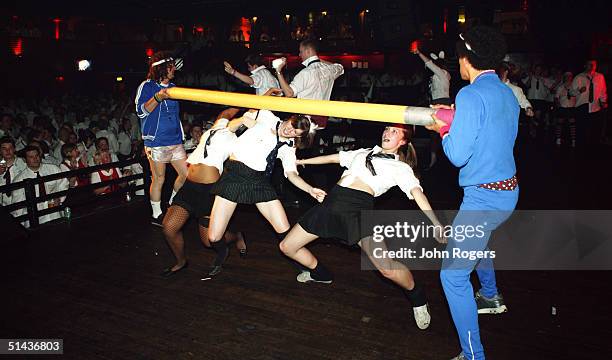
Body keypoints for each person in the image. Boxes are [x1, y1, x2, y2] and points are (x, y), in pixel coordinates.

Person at [279, 125, 444, 330]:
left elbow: (417, 193)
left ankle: (418, 296)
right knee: (287, 247)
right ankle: (320, 274)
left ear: (403, 141)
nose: (387, 133)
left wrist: (435, 223)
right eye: (387, 129)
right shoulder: (363, 153)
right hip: (331, 205)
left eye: (395, 131)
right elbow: (334, 158)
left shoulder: (401, 168)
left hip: (358, 211)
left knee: (386, 269)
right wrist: (302, 161)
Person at [426, 26, 520, 360]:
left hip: (484, 198)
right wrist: (462, 118)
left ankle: (473, 355)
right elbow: (492, 133)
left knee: (452, 277)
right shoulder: (506, 92)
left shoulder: (470, 95)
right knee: (480, 241)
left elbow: (457, 155)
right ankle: (491, 295)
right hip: (508, 191)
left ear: (466, 59)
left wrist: (444, 128)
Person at [206, 108, 325, 276]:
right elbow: (230, 127)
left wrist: (310, 189)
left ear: (298, 137)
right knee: (214, 238)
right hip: (234, 176)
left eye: (295, 133)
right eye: (292, 125)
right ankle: (224, 250)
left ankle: (310, 269)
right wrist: (241, 120)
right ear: (291, 118)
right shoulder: (266, 115)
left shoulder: (288, 146)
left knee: (285, 233)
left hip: (259, 182)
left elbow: (291, 174)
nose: (289, 131)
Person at [161, 108, 246, 277]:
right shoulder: (218, 127)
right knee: (169, 227)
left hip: (210, 192)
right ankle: (181, 261)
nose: (231, 119)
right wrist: (243, 101)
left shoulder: (237, 143)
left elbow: (252, 115)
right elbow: (227, 112)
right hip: (190, 187)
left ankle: (236, 236)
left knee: (208, 241)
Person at [136, 51, 188, 226]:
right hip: (156, 141)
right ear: (163, 68)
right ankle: (156, 214)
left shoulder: (174, 87)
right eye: (171, 67)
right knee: (159, 178)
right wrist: (158, 96)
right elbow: (141, 111)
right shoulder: (147, 86)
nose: (174, 70)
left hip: (175, 140)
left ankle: (172, 202)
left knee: (186, 174)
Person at [275, 38, 344, 128]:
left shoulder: (305, 73)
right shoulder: (329, 69)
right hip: (322, 120)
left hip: (305, 122)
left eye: (301, 51)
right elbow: (340, 68)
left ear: (308, 51)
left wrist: (279, 72)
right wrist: (318, 60)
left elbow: (289, 93)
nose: (299, 55)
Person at [412, 45, 452, 169]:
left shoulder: (443, 73)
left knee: (443, 132)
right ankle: (434, 161)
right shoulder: (437, 76)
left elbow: (429, 64)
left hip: (443, 103)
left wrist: (419, 53)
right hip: (436, 103)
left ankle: (444, 160)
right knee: (434, 134)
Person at [11, 146, 69, 228]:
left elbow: (64, 183)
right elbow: (17, 207)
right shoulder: (19, 179)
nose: (35, 159)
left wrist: (59, 198)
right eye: (31, 157)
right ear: (24, 160)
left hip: (55, 214)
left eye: (37, 155)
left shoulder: (53, 169)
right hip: (34, 219)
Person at [571, 59, 608, 147]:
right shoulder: (579, 77)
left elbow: (603, 91)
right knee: (581, 129)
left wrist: (603, 101)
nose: (591, 66)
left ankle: (592, 148)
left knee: (594, 129)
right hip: (582, 106)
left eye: (593, 65)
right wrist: (579, 91)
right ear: (585, 65)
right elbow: (571, 92)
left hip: (595, 106)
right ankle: (580, 148)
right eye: (589, 64)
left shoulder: (600, 77)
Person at [0, 136, 27, 206]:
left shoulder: (24, 164)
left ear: (14, 149)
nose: (7, 151)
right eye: (4, 148)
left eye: (10, 148)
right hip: (3, 206)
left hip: (21, 204)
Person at [554, 72, 577, 147]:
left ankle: (573, 140)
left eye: (570, 76)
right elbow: (556, 97)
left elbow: (578, 95)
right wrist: (558, 104)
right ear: (564, 77)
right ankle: (558, 139)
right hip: (562, 107)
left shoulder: (574, 86)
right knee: (559, 123)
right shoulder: (561, 87)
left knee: (572, 125)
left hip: (571, 107)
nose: (568, 78)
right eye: (567, 76)